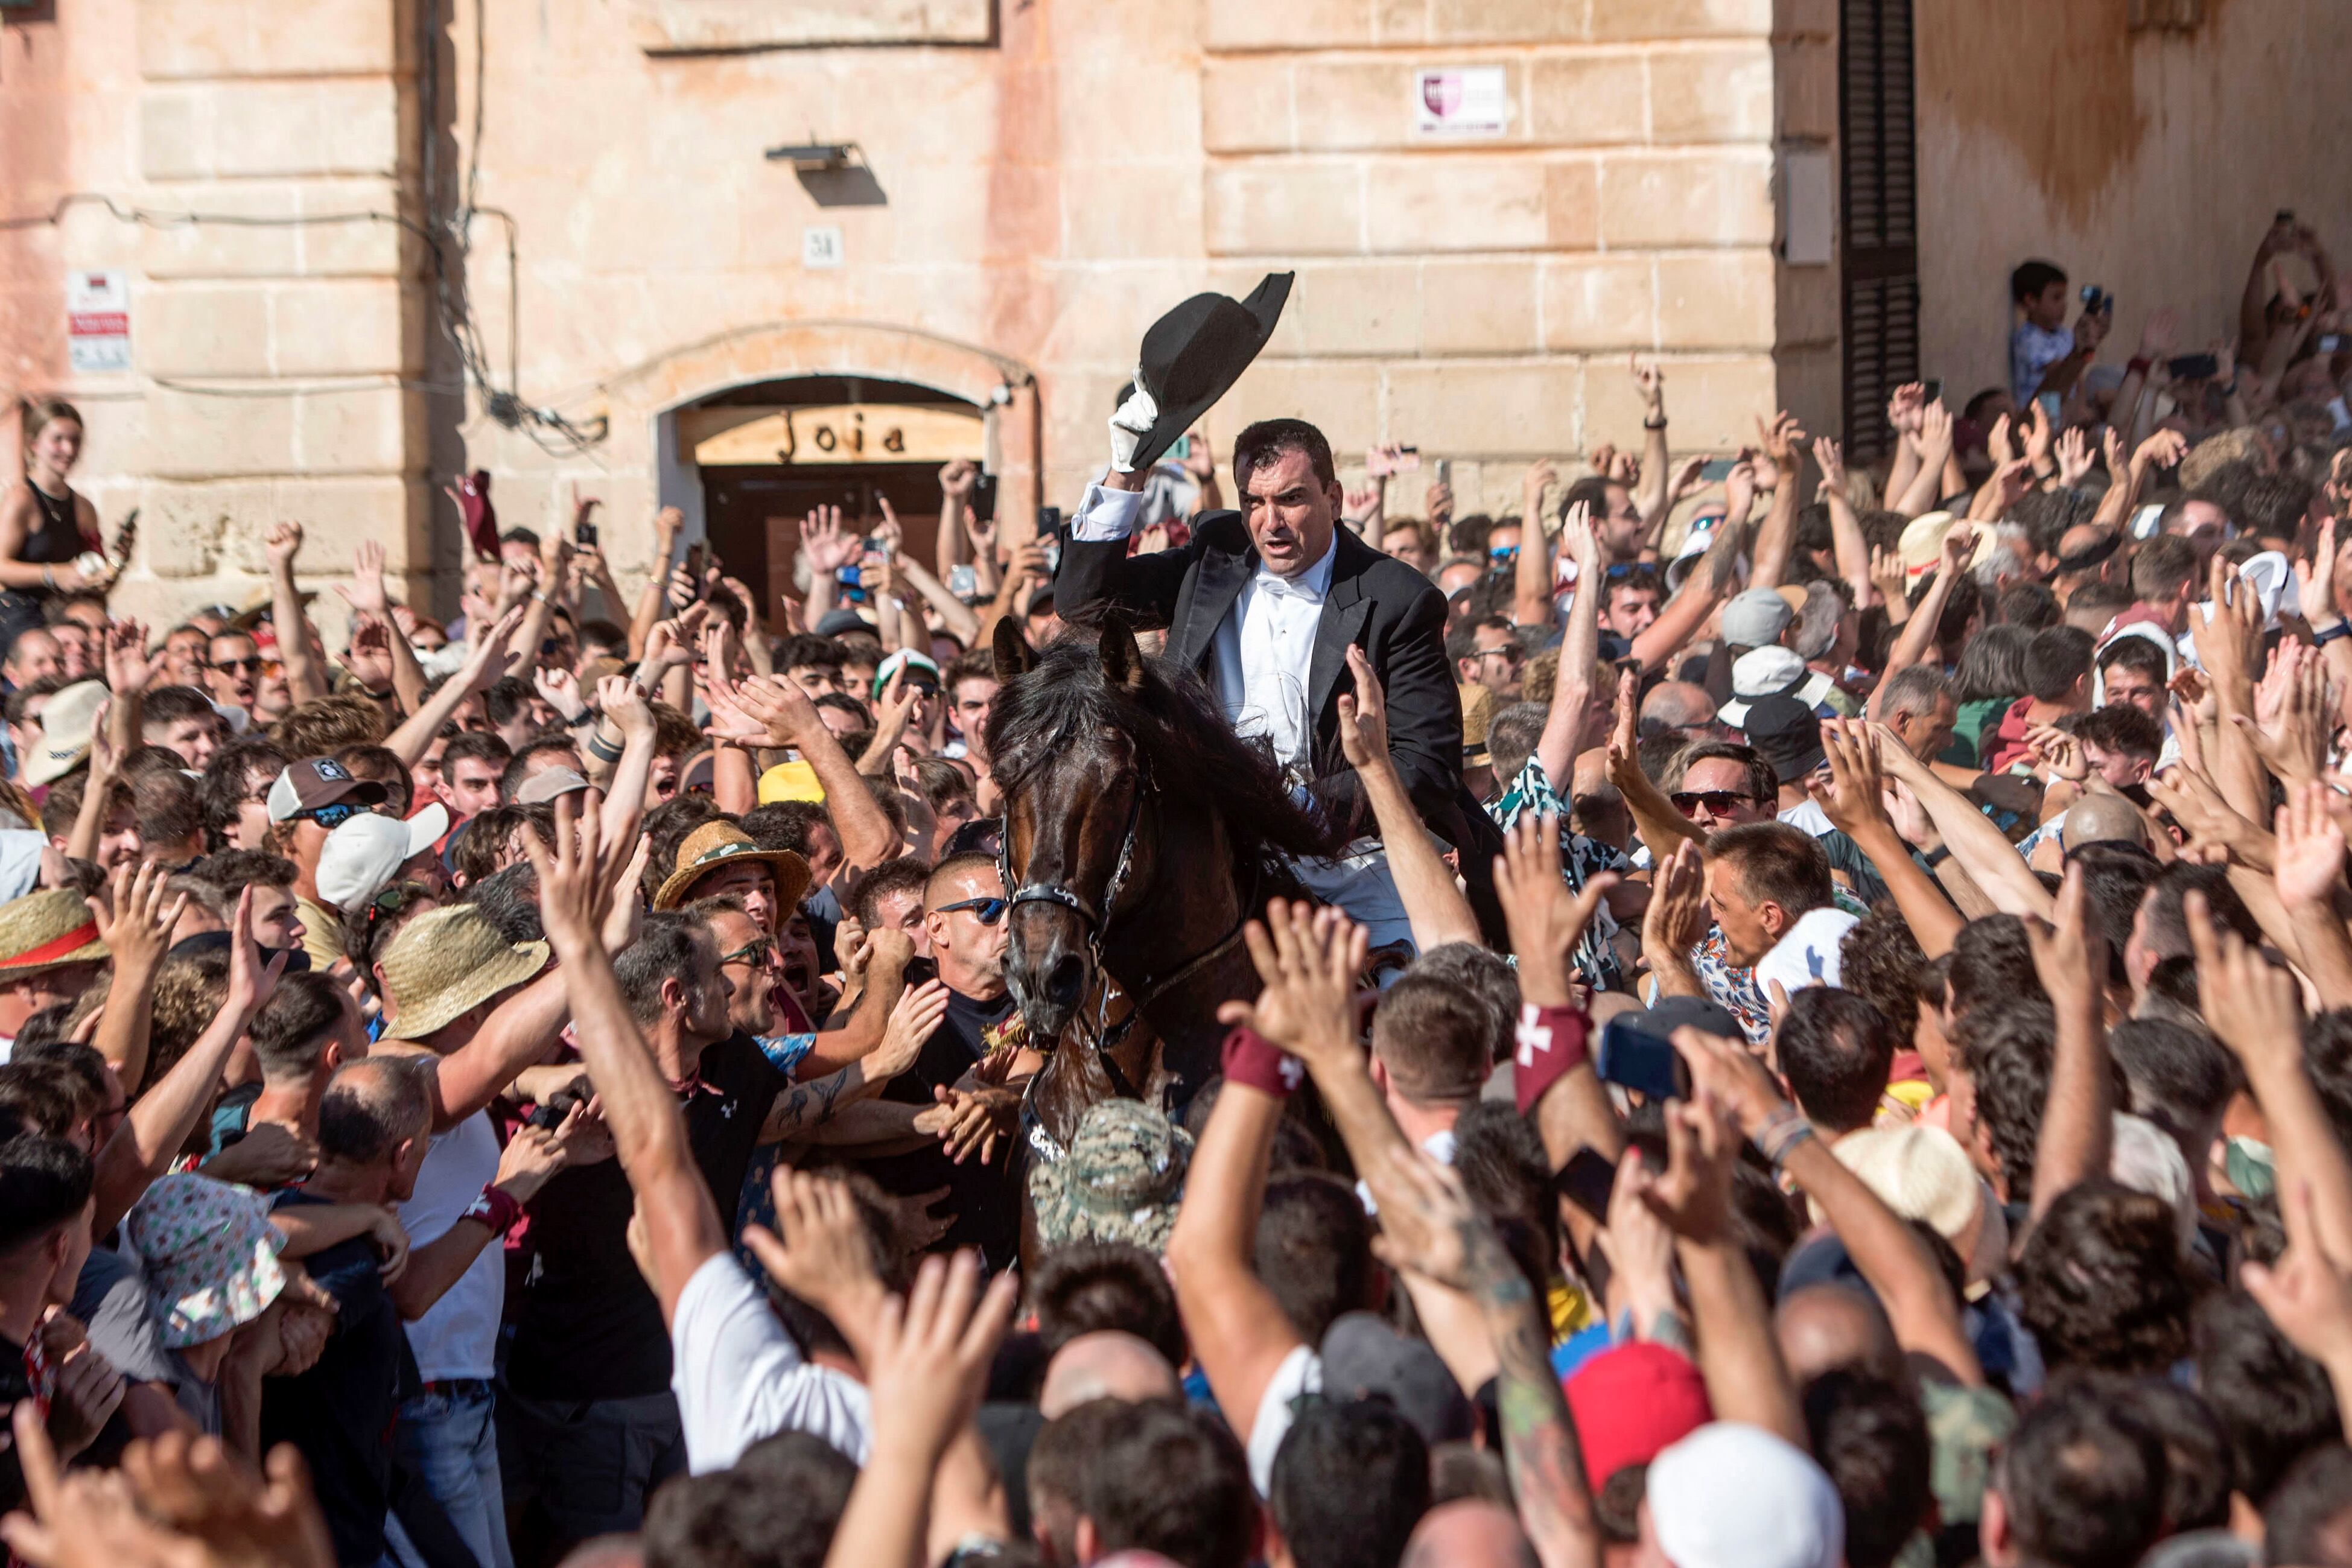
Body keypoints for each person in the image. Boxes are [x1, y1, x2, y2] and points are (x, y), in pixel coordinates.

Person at [1058, 416, 1502, 892]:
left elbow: (1427, 766)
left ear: (1334, 499)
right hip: (1209, 848)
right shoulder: (1215, 555)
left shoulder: (1399, 598)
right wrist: (1127, 470)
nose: (1271, 522)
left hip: (1352, 856)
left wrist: (1296, 804)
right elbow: (1086, 602)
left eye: (1291, 499)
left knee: (1404, 968)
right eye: (1254, 501)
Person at [0, 402, 109, 652]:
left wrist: (102, 573)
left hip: (66, 617)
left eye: (75, 440)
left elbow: (94, 561)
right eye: (58, 440)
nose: (68, 449)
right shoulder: (21, 499)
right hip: (21, 615)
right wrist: (52, 574)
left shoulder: (84, 507)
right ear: (34, 444)